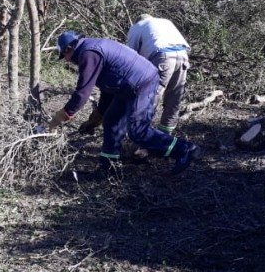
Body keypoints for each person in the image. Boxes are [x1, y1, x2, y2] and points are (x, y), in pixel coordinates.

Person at [46, 30, 199, 174]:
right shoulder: (91, 47)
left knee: (138, 131)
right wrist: (97, 116)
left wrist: (62, 116)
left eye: (64, 56)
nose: (66, 60)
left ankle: (185, 149)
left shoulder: (88, 54)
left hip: (142, 83)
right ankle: (108, 168)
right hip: (126, 87)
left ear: (68, 49)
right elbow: (107, 89)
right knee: (111, 121)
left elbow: (82, 93)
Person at [126, 14, 190, 134]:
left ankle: (141, 136)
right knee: (174, 97)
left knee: (151, 96)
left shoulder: (136, 27)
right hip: (183, 55)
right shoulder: (165, 21)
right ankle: (166, 135)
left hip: (162, 57)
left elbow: (130, 56)